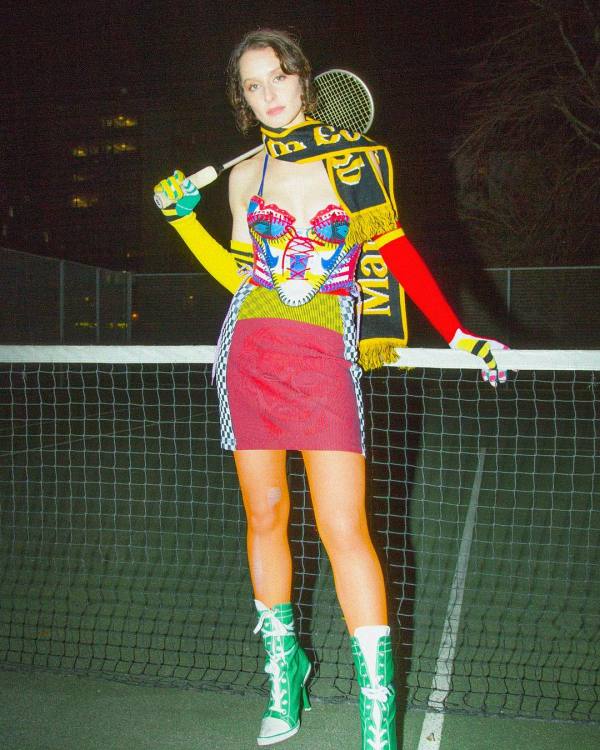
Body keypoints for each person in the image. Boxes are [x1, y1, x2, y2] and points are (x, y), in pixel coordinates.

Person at [154, 28, 507, 750]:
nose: (269, 94)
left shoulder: (354, 160)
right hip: (249, 351)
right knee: (264, 516)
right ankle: (284, 677)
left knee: (345, 529)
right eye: (252, 85)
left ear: (303, 78)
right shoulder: (243, 176)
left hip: (323, 356)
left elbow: (396, 249)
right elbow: (241, 277)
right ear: (242, 99)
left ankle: (379, 719)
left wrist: (457, 333)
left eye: (278, 77)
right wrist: (183, 223)